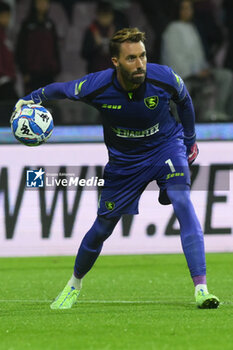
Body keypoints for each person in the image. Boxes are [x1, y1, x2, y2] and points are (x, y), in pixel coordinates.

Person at [11, 27, 219, 310]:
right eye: (131, 58)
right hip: (125, 162)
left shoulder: (164, 78)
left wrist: (190, 142)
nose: (140, 64)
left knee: (182, 200)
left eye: (143, 56)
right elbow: (62, 89)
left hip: (166, 146)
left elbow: (185, 102)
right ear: (115, 62)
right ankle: (74, 284)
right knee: (101, 229)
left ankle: (202, 289)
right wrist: (32, 97)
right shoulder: (96, 86)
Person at [161, 0, 233, 122]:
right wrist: (195, 72)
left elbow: (198, 56)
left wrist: (204, 69)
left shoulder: (192, 27)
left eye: (190, 8)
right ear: (178, 10)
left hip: (199, 72)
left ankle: (218, 111)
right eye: (184, 8)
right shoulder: (172, 29)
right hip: (184, 75)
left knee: (226, 76)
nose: (188, 12)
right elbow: (174, 59)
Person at [15, 0, 61, 95]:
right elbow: (20, 50)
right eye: (40, 2)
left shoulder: (50, 24)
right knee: (32, 104)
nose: (43, 5)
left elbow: (55, 49)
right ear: (34, 4)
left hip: (48, 73)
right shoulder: (27, 25)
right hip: (32, 74)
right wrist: (24, 71)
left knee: (50, 103)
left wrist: (56, 67)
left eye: (45, 2)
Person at [81, 1, 116, 74]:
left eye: (108, 16)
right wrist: (96, 46)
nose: (105, 19)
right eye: (103, 16)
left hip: (113, 71)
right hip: (95, 72)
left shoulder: (116, 30)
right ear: (98, 16)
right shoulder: (91, 31)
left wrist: (114, 44)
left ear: (112, 16)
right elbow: (84, 54)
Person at [0, 1, 18, 125]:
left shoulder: (4, 35)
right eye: (4, 16)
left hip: (7, 81)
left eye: (8, 16)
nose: (7, 19)